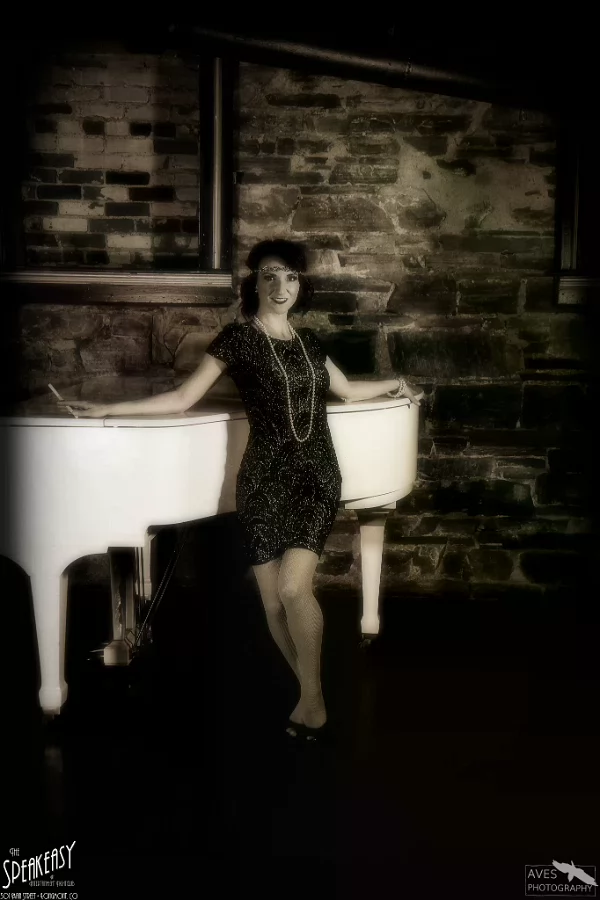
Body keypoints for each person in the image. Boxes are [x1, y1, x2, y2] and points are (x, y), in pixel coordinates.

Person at [58, 239, 420, 742]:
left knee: (294, 589)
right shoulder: (237, 339)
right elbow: (183, 398)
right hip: (262, 480)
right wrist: (107, 410)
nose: (281, 286)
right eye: (270, 276)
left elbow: (347, 390)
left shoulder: (309, 342)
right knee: (272, 605)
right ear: (255, 284)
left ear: (300, 285)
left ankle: (314, 701)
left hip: (315, 478)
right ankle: (309, 701)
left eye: (290, 276)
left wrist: (395, 383)